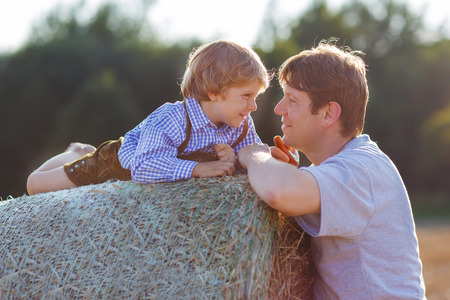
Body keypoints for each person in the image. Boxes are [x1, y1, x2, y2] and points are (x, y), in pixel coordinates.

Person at [237, 40, 426, 299]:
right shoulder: (345, 164)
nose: (279, 109)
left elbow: (277, 193)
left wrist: (252, 154)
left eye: (292, 100)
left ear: (328, 113)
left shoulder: (362, 169)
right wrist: (291, 172)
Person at [27, 39, 270, 195]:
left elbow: (250, 159)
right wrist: (199, 168)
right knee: (35, 185)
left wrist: (252, 158)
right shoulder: (172, 118)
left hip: (144, 166)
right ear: (213, 92)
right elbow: (143, 168)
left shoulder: (240, 124)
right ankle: (78, 153)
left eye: (256, 96)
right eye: (247, 95)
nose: (254, 106)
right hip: (116, 166)